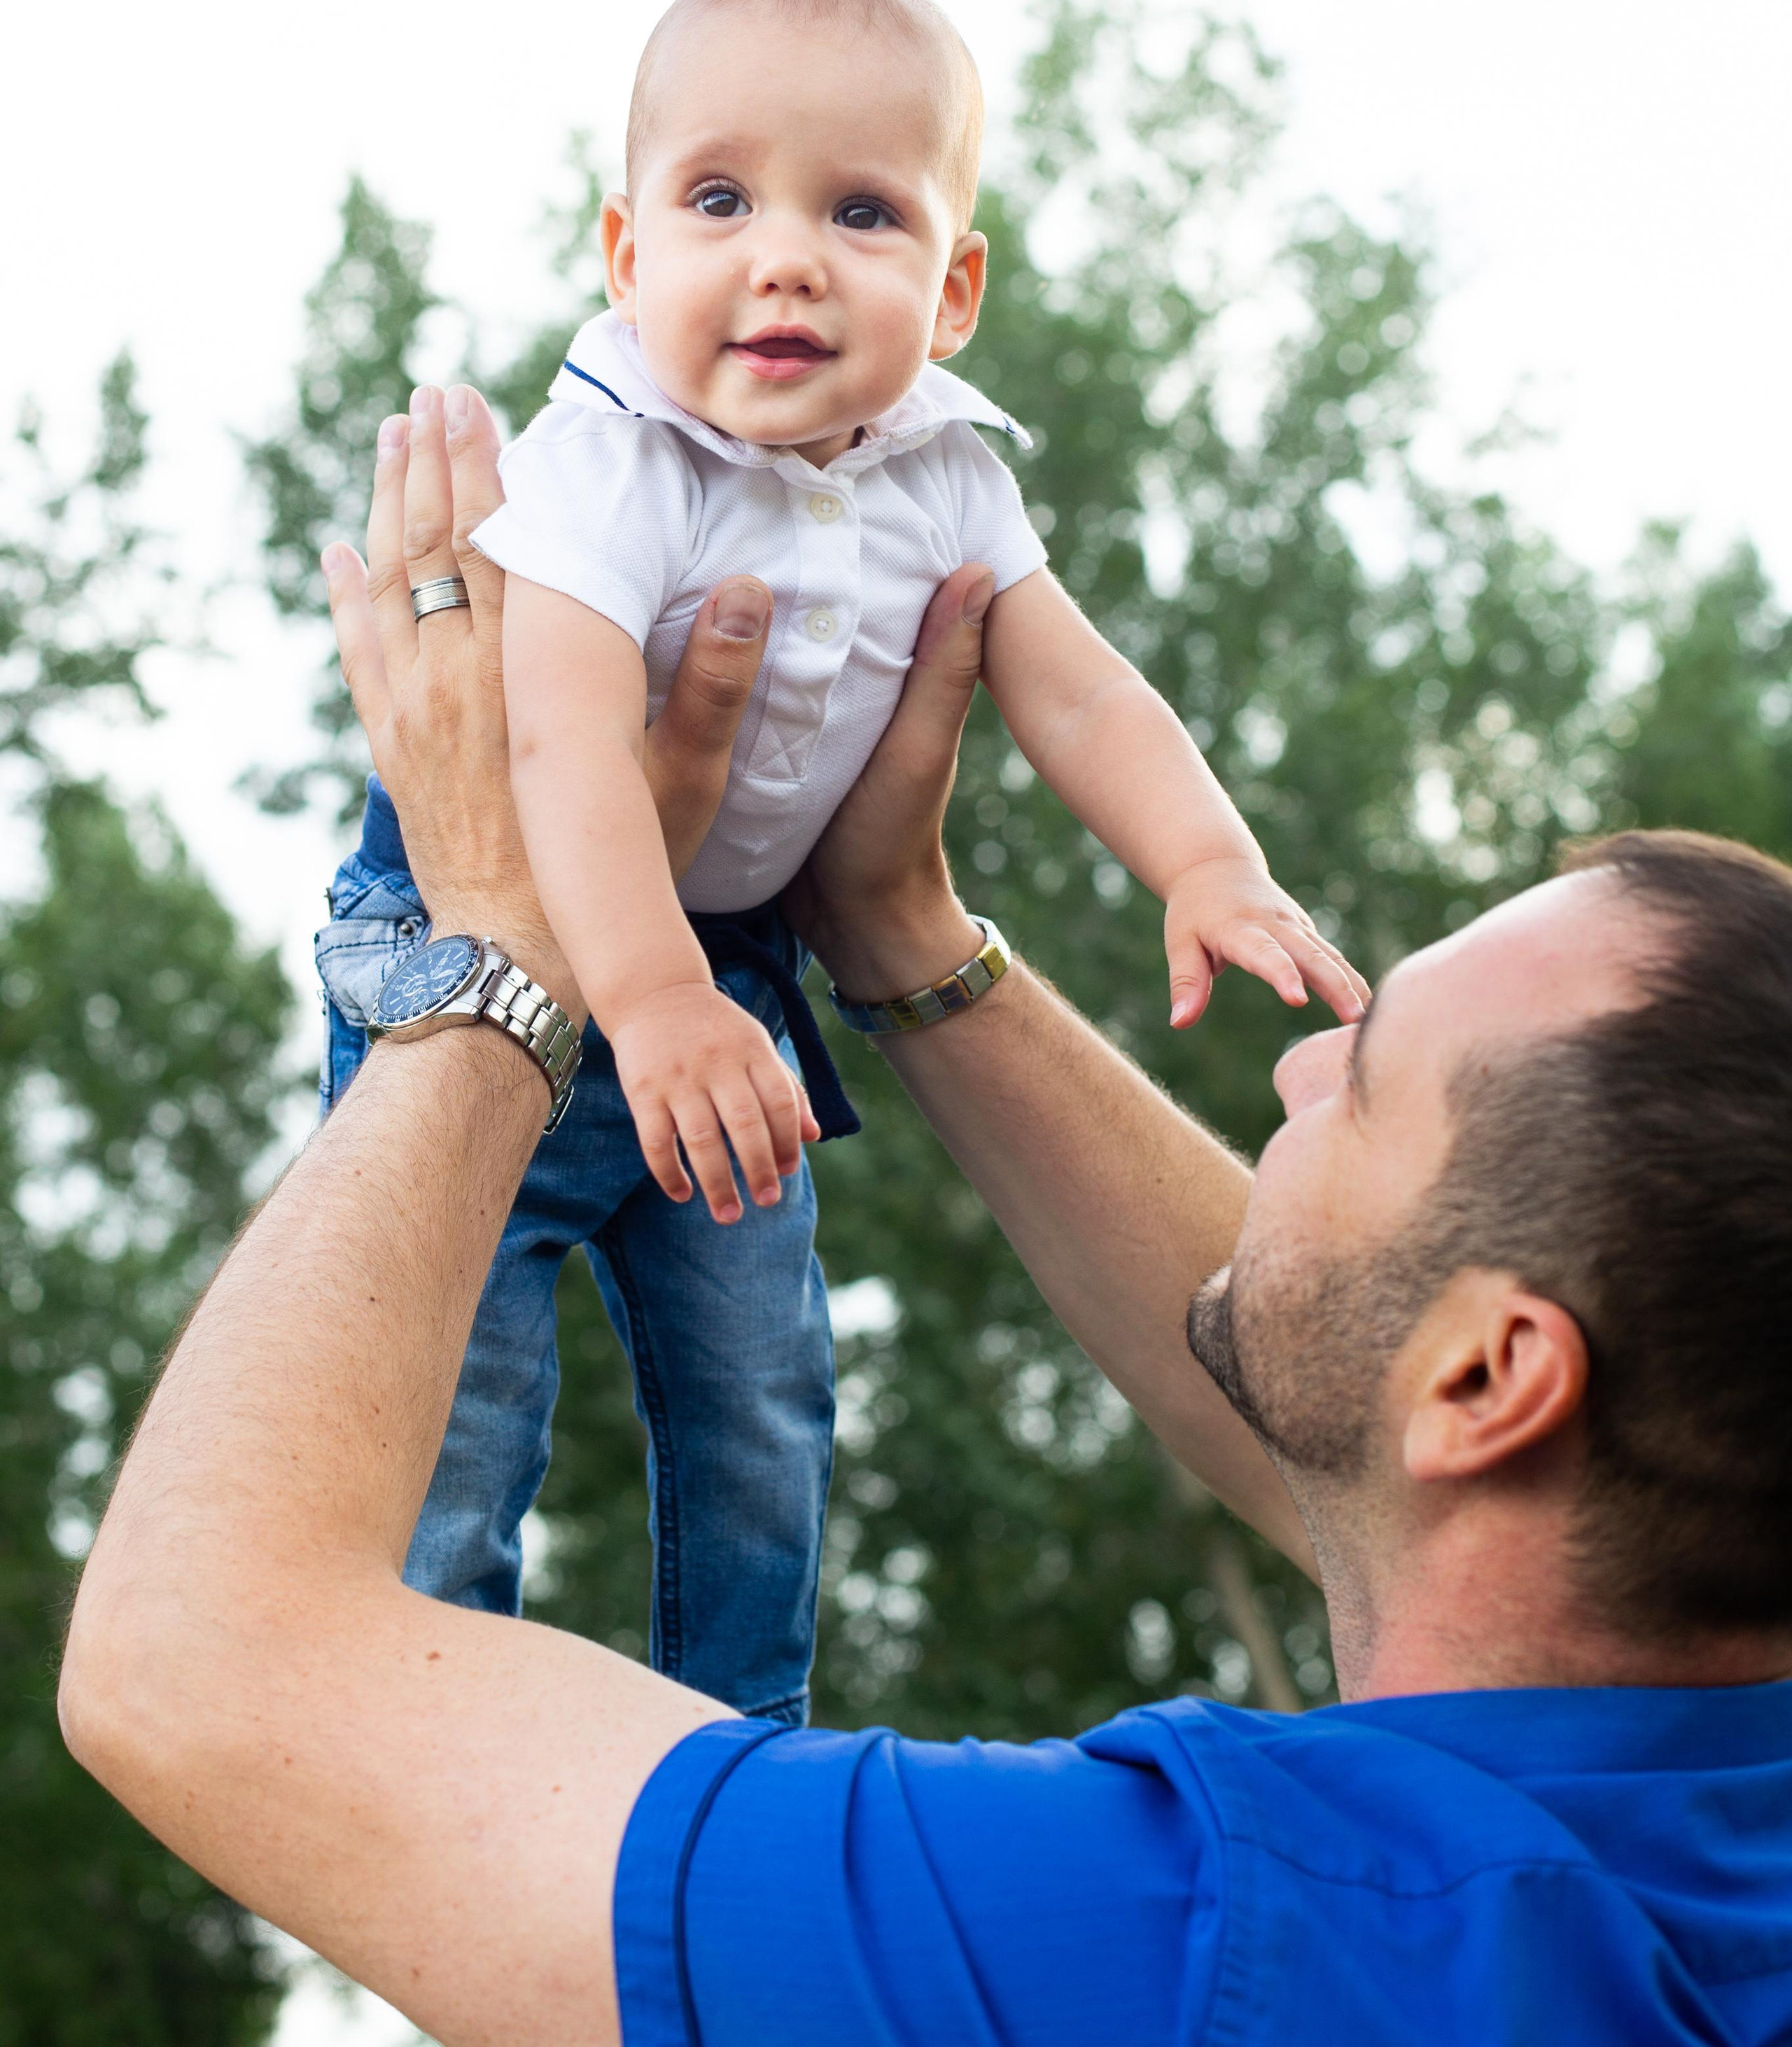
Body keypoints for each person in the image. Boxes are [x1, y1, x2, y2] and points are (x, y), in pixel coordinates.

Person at [60, 393, 1792, 2047]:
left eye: (1375, 1074)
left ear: (1493, 1382)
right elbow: (1364, 1387)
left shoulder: (1186, 1947)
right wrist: (900, 932)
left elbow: (198, 1669)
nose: (1295, 1078)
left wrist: (504, 949)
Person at [317, 0, 1364, 1718]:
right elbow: (562, 750)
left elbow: (1082, 693)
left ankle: (748, 1727)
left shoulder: (948, 474)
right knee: (460, 1382)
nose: (785, 253)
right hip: (494, 934)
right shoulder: (602, 467)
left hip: (734, 971)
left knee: (760, 1384)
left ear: (951, 290)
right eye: (719, 197)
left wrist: (1205, 862)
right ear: (628, 254)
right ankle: (433, 1708)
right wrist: (642, 1005)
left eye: (860, 212)